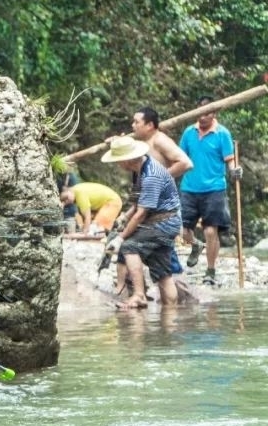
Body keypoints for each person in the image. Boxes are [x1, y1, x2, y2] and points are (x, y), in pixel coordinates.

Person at [115, 106, 195, 295]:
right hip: (150, 204)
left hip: (162, 208)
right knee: (133, 242)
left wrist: (160, 178)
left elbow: (186, 163)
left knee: (155, 250)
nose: (132, 125)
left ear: (150, 125)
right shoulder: (142, 143)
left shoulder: (160, 140)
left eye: (137, 122)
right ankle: (129, 287)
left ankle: (175, 290)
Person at [100, 137, 182, 309]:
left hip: (163, 223)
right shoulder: (139, 170)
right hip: (161, 221)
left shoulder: (151, 175)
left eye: (118, 161)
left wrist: (120, 238)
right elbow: (139, 203)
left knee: (129, 246)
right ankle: (171, 316)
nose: (117, 164)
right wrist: (124, 217)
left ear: (127, 160)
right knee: (163, 274)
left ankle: (139, 295)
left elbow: (141, 214)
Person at [178, 96, 242, 286]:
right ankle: (196, 245)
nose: (203, 116)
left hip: (214, 188)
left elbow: (230, 160)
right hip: (189, 187)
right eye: (200, 112)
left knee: (210, 230)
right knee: (183, 230)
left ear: (214, 114)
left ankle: (210, 271)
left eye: (207, 113)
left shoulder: (222, 134)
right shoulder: (189, 132)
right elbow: (179, 156)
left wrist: (235, 171)